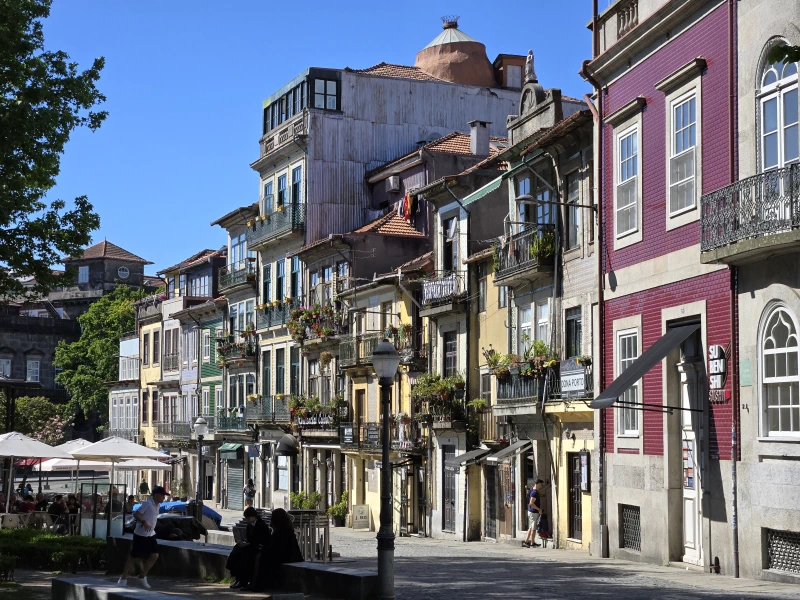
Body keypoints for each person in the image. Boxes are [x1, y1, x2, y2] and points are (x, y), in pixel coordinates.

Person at [118, 485, 166, 590]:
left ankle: (142, 576)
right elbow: (136, 514)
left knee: (155, 555)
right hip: (140, 534)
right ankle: (123, 578)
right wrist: (144, 522)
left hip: (151, 534)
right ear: (156, 495)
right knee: (134, 557)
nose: (164, 498)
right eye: (162, 495)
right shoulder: (148, 504)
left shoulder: (157, 505)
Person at [247, 508, 304, 592]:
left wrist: (265, 549)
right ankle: (255, 583)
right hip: (286, 554)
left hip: (287, 556)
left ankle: (257, 584)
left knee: (261, 557)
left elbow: (278, 547)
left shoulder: (283, 530)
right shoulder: (285, 528)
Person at [227, 507, 271, 590]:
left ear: (253, 517)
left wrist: (248, 544)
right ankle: (237, 577)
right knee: (237, 549)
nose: (247, 520)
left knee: (245, 556)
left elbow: (262, 540)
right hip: (251, 545)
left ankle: (243, 580)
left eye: (248, 518)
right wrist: (243, 542)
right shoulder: (249, 525)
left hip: (259, 547)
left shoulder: (261, 525)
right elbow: (249, 538)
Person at [523, 479, 544, 548]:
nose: (541, 486)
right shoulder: (534, 492)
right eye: (541, 485)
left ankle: (526, 541)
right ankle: (532, 543)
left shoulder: (532, 489)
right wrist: (539, 509)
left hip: (531, 512)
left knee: (531, 527)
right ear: (538, 484)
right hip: (533, 512)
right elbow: (531, 503)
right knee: (533, 528)